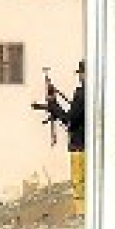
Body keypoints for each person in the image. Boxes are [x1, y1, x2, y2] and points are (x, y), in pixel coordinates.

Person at [35, 60, 86, 216]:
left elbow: (70, 119)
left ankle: (82, 213)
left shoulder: (82, 93)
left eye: (81, 74)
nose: (80, 77)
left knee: (79, 182)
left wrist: (53, 105)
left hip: (80, 146)